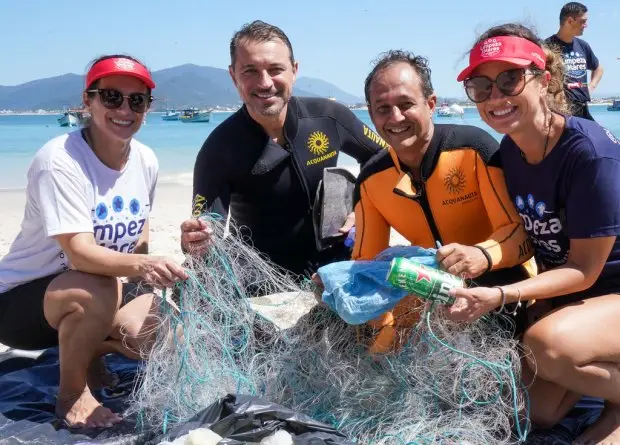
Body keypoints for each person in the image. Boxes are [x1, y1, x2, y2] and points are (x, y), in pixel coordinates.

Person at [453, 23, 620, 444]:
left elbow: (583, 269)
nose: (496, 97)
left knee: (546, 345)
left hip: (606, 289)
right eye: (481, 86)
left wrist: (504, 296)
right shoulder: (509, 153)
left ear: (544, 80)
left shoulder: (590, 154)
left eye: (510, 79)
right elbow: (528, 240)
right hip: (580, 298)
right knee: (538, 414)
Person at [0, 55, 188, 429]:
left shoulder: (146, 160)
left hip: (99, 289)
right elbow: (79, 254)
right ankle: (71, 395)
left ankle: (90, 352)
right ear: (88, 101)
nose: (124, 109)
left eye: (137, 100)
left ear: (148, 108)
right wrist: (145, 267)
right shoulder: (61, 160)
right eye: (111, 97)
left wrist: (144, 283)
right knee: (95, 288)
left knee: (161, 335)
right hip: (21, 303)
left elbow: (140, 231)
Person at [350, 50, 533, 353]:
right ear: (371, 114)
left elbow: (519, 233)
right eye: (382, 108)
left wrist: (480, 255)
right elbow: (366, 265)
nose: (395, 118)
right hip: (432, 294)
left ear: (431, 104)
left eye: (406, 104)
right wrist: (342, 286)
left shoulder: (473, 150)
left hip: (501, 286)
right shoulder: (371, 179)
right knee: (376, 356)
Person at [180, 20, 386, 278]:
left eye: (275, 69)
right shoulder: (219, 149)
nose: (265, 83)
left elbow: (385, 158)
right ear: (233, 76)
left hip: (338, 264)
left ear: (294, 70)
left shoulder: (329, 117)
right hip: (263, 278)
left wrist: (362, 207)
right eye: (250, 71)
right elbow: (206, 231)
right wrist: (193, 240)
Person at [546, 2, 604, 120]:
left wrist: (591, 86)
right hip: (561, 111)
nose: (585, 25)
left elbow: (598, 68)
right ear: (570, 21)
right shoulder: (547, 47)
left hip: (583, 108)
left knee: (598, 136)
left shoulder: (582, 45)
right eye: (582, 21)